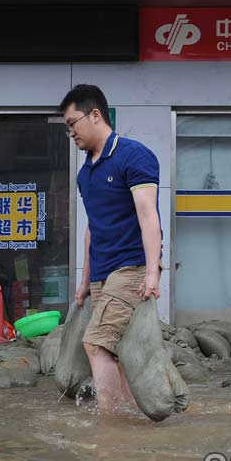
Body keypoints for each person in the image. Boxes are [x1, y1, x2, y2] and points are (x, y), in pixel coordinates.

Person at [61, 84, 162, 413]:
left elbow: (149, 216)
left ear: (95, 115)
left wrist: (152, 272)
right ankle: (134, 418)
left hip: (130, 268)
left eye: (72, 123)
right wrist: (83, 282)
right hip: (101, 273)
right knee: (114, 350)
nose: (70, 132)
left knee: (95, 343)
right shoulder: (85, 173)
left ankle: (110, 427)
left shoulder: (134, 156)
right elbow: (93, 228)